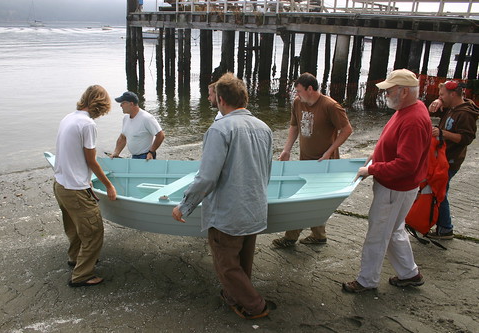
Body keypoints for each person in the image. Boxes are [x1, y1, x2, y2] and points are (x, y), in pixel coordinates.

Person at [172, 73, 274, 319]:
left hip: (228, 213)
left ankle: (255, 306)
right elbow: (266, 171)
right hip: (255, 207)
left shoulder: (219, 129)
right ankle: (233, 296)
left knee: (226, 266)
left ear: (220, 99)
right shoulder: (264, 128)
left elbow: (207, 177)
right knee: (242, 261)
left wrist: (185, 206)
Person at [342, 69, 431, 293]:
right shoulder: (411, 108)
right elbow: (395, 143)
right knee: (393, 230)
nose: (385, 94)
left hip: (395, 188)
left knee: (378, 233)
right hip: (398, 187)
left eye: (389, 90)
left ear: (403, 92)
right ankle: (410, 274)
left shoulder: (413, 119)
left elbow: (406, 164)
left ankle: (366, 281)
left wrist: (373, 169)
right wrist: (377, 154)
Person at [272, 72, 353, 248]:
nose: (297, 94)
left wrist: (330, 151)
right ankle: (318, 235)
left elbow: (347, 130)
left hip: (324, 163)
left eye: (299, 91)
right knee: (312, 200)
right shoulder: (297, 103)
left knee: (303, 200)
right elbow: (294, 126)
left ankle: (290, 237)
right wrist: (286, 150)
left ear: (310, 89)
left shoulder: (330, 106)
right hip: (304, 160)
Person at [53, 85, 117, 287]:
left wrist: (84, 177)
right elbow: (92, 160)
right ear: (101, 105)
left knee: (74, 228)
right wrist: (109, 185)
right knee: (93, 231)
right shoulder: (87, 125)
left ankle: (75, 258)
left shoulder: (68, 118)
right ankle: (82, 275)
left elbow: (72, 155)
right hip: (75, 190)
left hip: (60, 184)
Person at [426, 81, 478, 239]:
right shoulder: (452, 107)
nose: (439, 97)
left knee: (439, 193)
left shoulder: (465, 113)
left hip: (451, 160)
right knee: (438, 191)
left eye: (442, 95)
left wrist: (442, 133)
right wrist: (439, 101)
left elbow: (466, 138)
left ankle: (445, 229)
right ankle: (440, 225)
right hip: (443, 157)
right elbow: (433, 110)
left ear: (453, 94)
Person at [110, 91, 165, 159]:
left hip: (146, 156)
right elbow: (123, 137)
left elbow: (160, 135)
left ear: (131, 104)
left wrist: (151, 152)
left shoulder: (147, 118)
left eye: (123, 103)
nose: (120, 105)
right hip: (134, 156)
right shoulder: (126, 118)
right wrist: (116, 152)